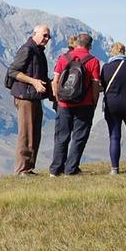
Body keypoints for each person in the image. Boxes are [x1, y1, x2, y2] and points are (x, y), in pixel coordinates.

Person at [49, 32, 102, 176]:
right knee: (79, 137)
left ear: (77, 43)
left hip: (64, 104)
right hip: (84, 105)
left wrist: (58, 99)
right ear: (90, 46)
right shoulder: (93, 61)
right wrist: (94, 102)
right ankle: (71, 169)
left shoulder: (63, 58)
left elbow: (55, 81)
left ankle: (55, 169)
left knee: (61, 137)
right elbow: (95, 85)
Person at [6, 24, 52, 175]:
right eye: (44, 35)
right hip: (25, 97)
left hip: (35, 97)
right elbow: (13, 71)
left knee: (35, 134)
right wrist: (33, 82)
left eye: (48, 36)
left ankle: (29, 168)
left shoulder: (38, 51)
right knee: (26, 133)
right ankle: (21, 170)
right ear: (35, 34)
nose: (47, 39)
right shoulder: (27, 49)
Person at [101, 42, 126, 175]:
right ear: (124, 51)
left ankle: (114, 168)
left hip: (112, 106)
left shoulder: (106, 68)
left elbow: (103, 84)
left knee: (114, 136)